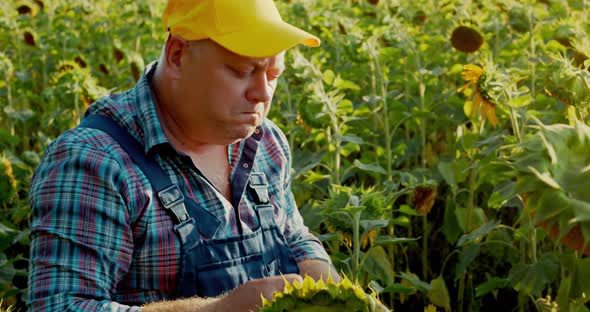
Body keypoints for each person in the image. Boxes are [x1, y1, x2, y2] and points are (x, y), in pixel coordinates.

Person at [27, 0, 339, 311]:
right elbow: (59, 306)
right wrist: (217, 310)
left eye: (273, 74)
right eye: (243, 71)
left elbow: (292, 234)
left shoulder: (265, 141)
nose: (264, 93)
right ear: (178, 55)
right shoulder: (96, 163)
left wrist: (331, 287)